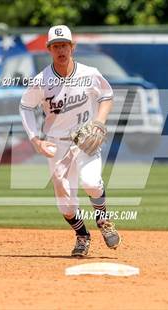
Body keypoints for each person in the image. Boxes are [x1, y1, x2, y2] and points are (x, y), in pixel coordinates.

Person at [19, 25, 121, 257]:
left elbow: (107, 96)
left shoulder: (89, 74)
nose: (61, 50)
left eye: (64, 45)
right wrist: (36, 140)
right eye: (56, 46)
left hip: (86, 139)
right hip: (56, 143)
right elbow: (25, 106)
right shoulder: (42, 80)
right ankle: (82, 237)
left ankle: (103, 220)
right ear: (49, 50)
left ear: (72, 47)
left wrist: (99, 122)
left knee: (91, 183)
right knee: (66, 205)